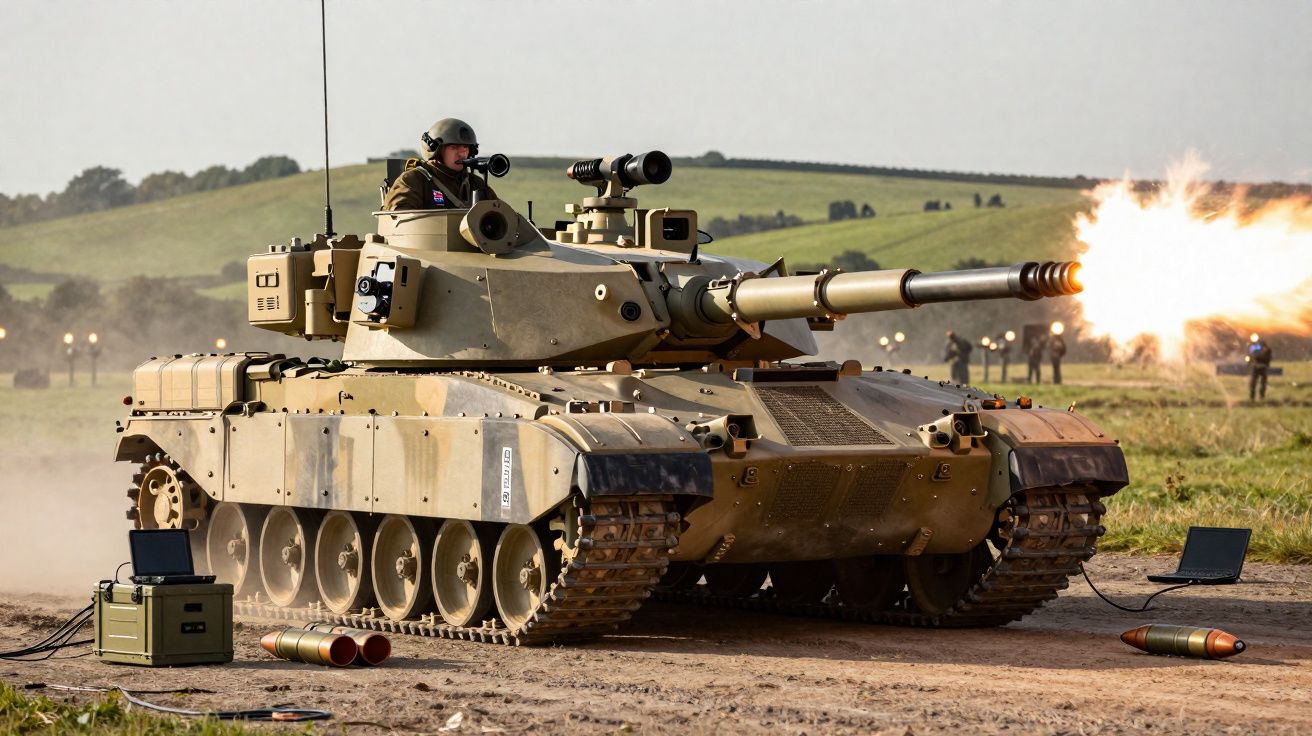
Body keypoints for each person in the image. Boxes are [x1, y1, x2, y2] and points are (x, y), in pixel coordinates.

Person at [384, 118, 498, 211]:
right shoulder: (414, 180)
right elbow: (399, 218)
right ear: (437, 151)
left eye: (465, 147)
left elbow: (501, 215)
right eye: (454, 147)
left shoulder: (476, 184)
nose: (462, 153)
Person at [1246, 333, 1273, 400]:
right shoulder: (1256, 347)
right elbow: (1250, 356)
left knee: (1257, 382)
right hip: (1259, 366)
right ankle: (1257, 396)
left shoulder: (1258, 347)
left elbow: (1251, 356)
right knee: (1257, 383)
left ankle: (1257, 396)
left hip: (1259, 366)